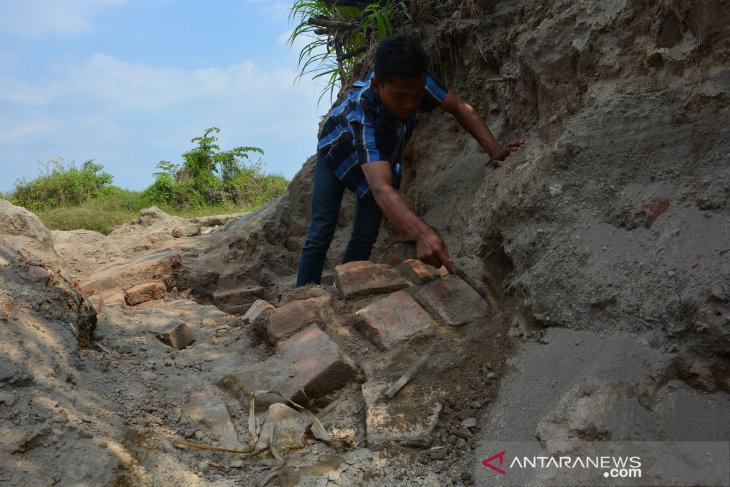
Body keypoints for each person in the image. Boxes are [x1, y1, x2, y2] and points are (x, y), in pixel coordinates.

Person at [296, 33, 523, 286]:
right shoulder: (364, 114)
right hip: (337, 150)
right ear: (377, 87)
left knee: (366, 233)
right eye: (400, 96)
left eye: (416, 95)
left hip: (379, 159)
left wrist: (494, 149)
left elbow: (459, 107)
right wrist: (422, 233)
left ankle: (347, 288)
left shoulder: (416, 82)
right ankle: (303, 295)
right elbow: (381, 188)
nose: (410, 104)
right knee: (321, 230)